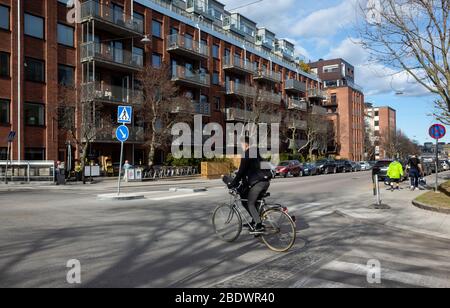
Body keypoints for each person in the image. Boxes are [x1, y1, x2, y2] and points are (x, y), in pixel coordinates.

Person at [226, 137, 272, 234]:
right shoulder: (257, 153)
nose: (241, 146)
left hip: (259, 182)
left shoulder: (247, 154)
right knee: (252, 202)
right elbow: (252, 170)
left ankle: (258, 225)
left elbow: (241, 172)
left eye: (241, 144)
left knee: (250, 203)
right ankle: (254, 222)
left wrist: (232, 184)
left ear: (245, 144)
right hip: (266, 181)